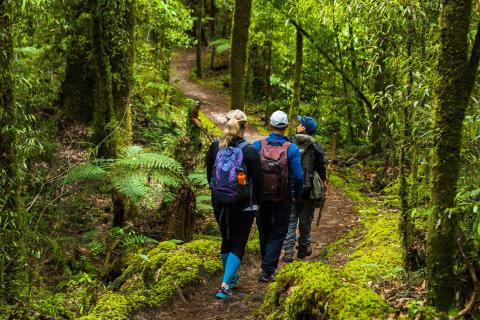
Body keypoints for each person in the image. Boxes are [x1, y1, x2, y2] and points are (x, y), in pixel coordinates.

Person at [206, 109, 263, 299]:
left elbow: (209, 176)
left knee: (226, 240)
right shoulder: (250, 151)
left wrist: (218, 198)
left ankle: (230, 277)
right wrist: (256, 205)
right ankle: (224, 286)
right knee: (238, 243)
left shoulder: (215, 146)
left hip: (219, 202)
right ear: (244, 127)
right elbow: (258, 183)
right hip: (242, 204)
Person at [252, 110, 303, 283]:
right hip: (283, 198)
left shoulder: (257, 146)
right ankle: (267, 270)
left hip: (260, 199)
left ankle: (265, 266)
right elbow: (298, 177)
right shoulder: (292, 149)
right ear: (286, 126)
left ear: (270, 124)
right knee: (278, 233)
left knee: (264, 231)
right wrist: (297, 194)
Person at [282, 115, 327, 262]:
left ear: (303, 128)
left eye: (301, 124)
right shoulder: (316, 145)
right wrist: (323, 184)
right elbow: (321, 169)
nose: (298, 124)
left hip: (291, 187)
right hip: (308, 189)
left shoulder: (289, 142)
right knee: (305, 220)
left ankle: (288, 251)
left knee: (290, 220)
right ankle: (303, 248)